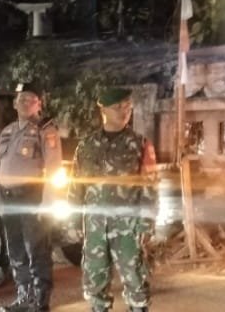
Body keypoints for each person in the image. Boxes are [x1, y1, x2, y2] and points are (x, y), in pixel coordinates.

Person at [69, 88, 158, 312]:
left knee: (135, 276)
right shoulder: (86, 146)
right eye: (118, 107)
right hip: (95, 226)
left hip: (128, 226)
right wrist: (73, 220)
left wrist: (146, 224)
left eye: (128, 106)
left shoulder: (140, 144)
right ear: (104, 110)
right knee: (95, 276)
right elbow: (76, 186)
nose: (124, 111)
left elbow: (149, 188)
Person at [0, 83, 62, 312]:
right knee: (16, 250)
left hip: (33, 198)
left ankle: (40, 300)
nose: (25, 103)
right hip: (8, 199)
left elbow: (54, 168)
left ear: (39, 104)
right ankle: (24, 297)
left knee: (37, 250)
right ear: (14, 103)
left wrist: (48, 202)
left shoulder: (45, 130)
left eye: (31, 99)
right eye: (21, 99)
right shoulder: (7, 131)